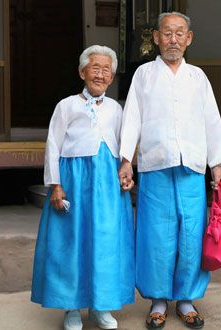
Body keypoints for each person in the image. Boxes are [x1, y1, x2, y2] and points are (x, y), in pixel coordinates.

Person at [118, 12, 221, 330]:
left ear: (189, 38)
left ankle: (186, 300)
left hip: (192, 165)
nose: (173, 40)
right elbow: (132, 118)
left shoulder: (198, 78)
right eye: (167, 33)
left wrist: (216, 164)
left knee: (191, 234)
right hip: (155, 165)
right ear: (156, 37)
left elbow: (212, 120)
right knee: (156, 235)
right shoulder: (143, 75)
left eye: (180, 33)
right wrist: (126, 159)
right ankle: (158, 301)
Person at [31, 45, 135, 330]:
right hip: (74, 181)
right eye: (95, 68)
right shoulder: (66, 106)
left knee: (105, 242)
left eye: (106, 70)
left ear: (112, 77)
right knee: (71, 241)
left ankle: (101, 306)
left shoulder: (116, 109)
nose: (100, 75)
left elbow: (124, 148)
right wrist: (55, 185)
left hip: (107, 184)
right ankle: (72, 308)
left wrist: (126, 172)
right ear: (82, 72)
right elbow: (53, 146)